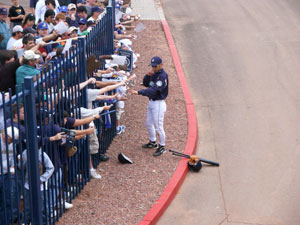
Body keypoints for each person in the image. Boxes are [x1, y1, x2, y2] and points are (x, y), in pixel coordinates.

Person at [129, 56, 168, 157]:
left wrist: (139, 92)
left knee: (158, 127)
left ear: (161, 65)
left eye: (155, 66)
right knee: (148, 123)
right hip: (152, 102)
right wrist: (147, 75)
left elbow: (153, 90)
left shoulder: (162, 76)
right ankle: (152, 141)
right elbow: (147, 84)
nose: (153, 68)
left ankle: (162, 146)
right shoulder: (154, 74)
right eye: (152, 66)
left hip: (158, 103)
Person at [0, 127, 19, 224]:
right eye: (11, 140)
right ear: (6, 136)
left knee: (7, 200)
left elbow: (12, 158)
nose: (12, 142)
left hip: (6, 174)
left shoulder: (12, 145)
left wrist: (12, 167)